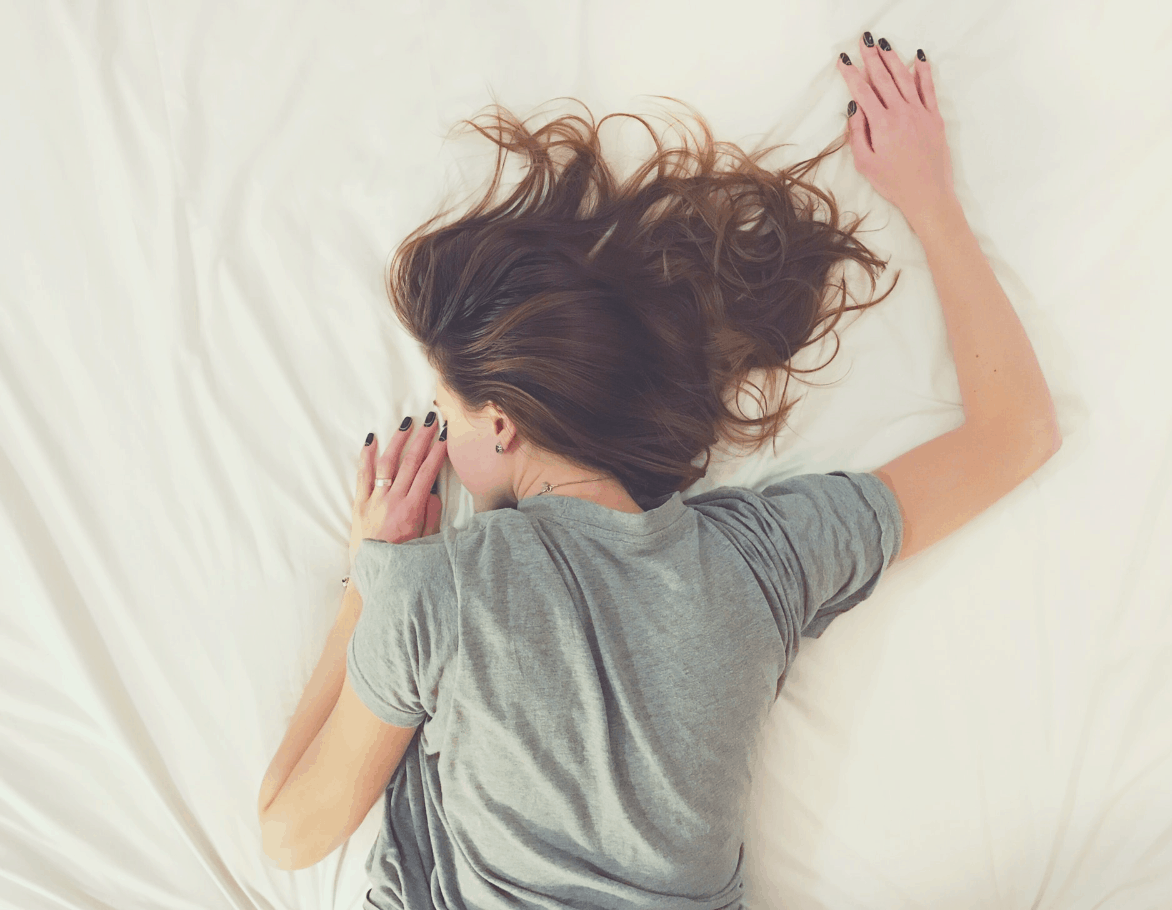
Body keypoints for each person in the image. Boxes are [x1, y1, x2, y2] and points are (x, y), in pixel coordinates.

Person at [346, 30, 1059, 909]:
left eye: (446, 412)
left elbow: (291, 829)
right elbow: (1016, 433)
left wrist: (370, 571)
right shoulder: (759, 561)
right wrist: (930, 202)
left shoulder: (434, 590)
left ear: (499, 425)